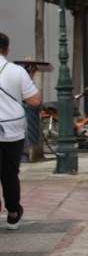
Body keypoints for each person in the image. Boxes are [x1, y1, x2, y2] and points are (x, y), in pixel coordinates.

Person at [0, 33, 42, 230]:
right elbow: (34, 100)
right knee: (9, 173)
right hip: (12, 130)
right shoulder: (17, 72)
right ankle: (13, 213)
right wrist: (31, 77)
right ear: (7, 50)